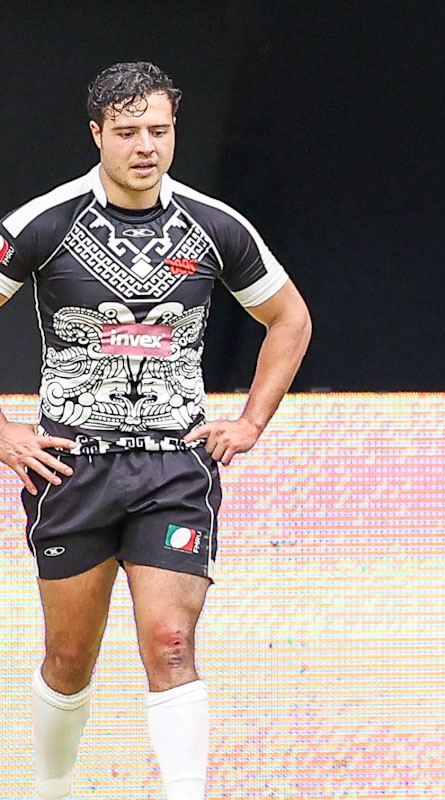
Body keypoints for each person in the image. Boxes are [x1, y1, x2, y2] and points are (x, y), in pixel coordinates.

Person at [0, 62, 313, 800]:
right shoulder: (43, 222)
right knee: (69, 657)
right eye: (128, 131)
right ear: (96, 134)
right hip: (70, 469)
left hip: (174, 467)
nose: (146, 146)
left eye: (159, 130)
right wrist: (4, 431)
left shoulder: (215, 225)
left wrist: (251, 420)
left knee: (171, 644)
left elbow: (290, 319)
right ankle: (49, 790)